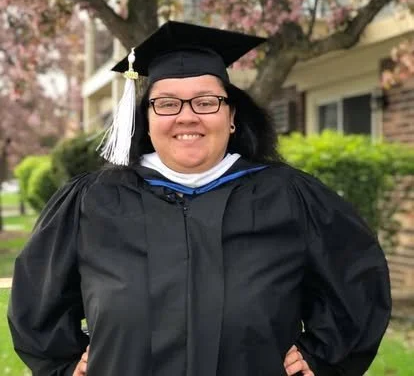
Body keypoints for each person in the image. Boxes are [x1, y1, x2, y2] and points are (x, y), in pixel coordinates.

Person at [8, 21, 391, 376]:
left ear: (232, 115)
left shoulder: (290, 198)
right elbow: (37, 300)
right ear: (147, 116)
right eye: (167, 103)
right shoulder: (92, 202)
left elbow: (357, 281)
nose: (187, 116)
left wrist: (321, 355)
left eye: (206, 102)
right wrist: (65, 361)